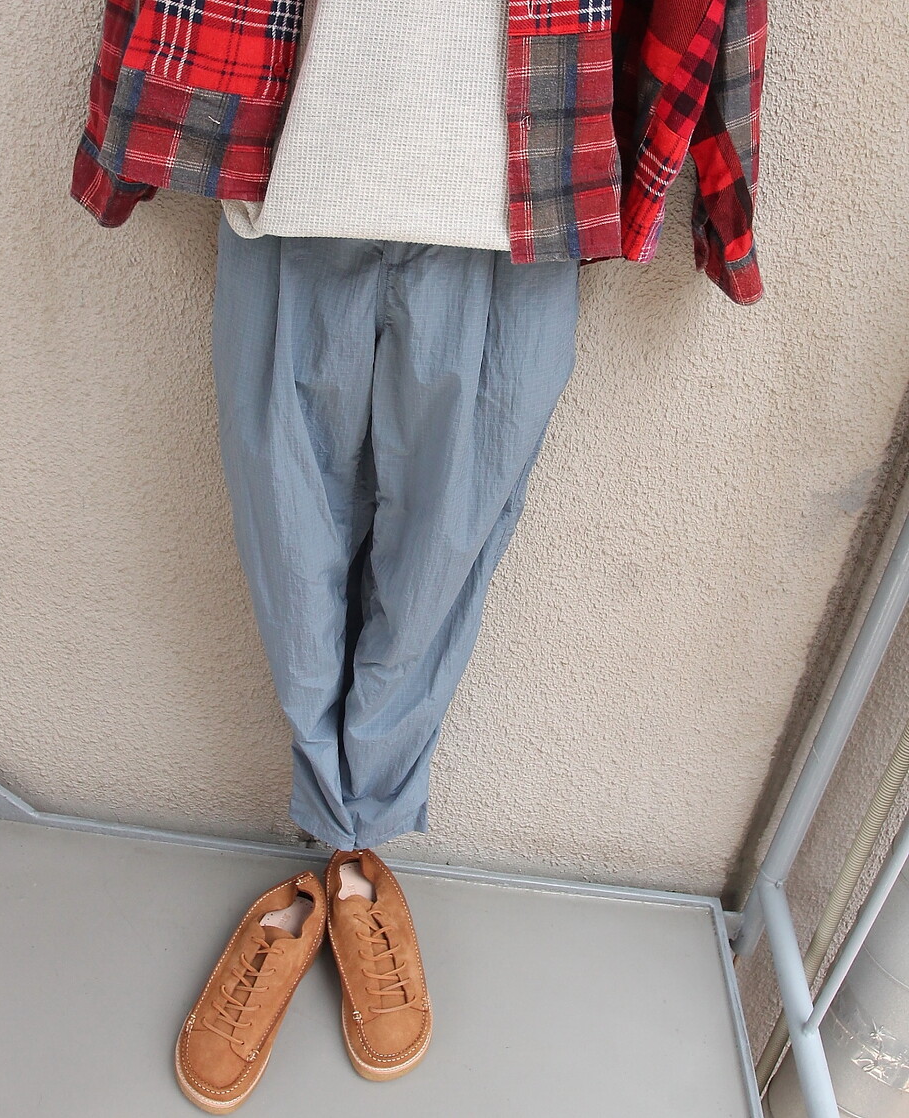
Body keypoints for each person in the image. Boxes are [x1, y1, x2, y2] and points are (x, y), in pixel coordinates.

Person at [69, 0, 765, 1106]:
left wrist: (722, 196)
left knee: (439, 567)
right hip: (300, 165)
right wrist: (125, 129)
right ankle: (336, 859)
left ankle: (351, 858)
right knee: (286, 553)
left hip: (517, 194)